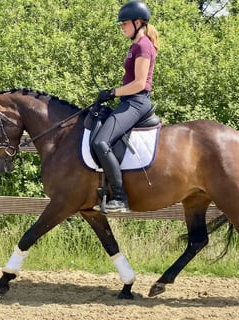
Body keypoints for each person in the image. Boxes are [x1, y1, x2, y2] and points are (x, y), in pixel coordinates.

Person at [92, 1, 159, 213]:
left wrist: (112, 92)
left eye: (124, 23)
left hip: (137, 102)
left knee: (101, 141)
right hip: (129, 101)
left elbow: (139, 83)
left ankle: (119, 197)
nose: (121, 27)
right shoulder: (135, 46)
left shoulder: (143, 46)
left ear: (138, 22)